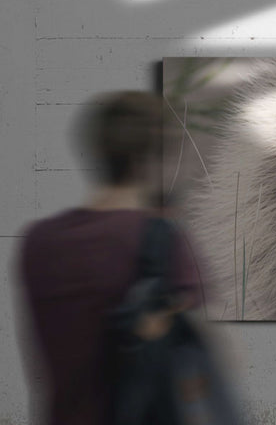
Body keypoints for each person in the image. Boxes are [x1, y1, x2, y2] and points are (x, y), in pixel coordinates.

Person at [16, 91, 201, 425]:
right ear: (148, 161)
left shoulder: (37, 241)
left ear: (98, 152)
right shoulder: (159, 239)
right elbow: (203, 366)